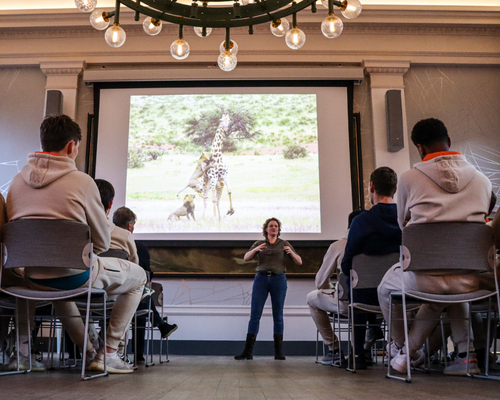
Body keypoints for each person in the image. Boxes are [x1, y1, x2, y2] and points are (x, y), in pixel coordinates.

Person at [5, 114, 147, 374]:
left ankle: (86, 353)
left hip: (33, 278)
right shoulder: (83, 182)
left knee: (56, 280)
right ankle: (110, 353)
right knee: (138, 277)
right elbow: (103, 242)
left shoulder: (15, 183)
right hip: (75, 276)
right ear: (71, 146)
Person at [377, 118, 492, 376]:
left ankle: (400, 349)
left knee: (385, 289)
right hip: (470, 279)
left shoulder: (408, 179)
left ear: (420, 148)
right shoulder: (483, 181)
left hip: (425, 277)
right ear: (449, 141)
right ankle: (466, 355)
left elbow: (402, 226)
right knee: (451, 287)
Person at [340, 167, 402, 369]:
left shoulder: (360, 221)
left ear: (371, 187)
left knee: (353, 282)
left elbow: (347, 261)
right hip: (400, 292)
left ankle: (358, 355)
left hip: (366, 294)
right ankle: (406, 352)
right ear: (395, 188)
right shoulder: (406, 220)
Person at [113, 206, 178, 363]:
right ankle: (139, 353)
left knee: (140, 294)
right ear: (130, 226)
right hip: (128, 295)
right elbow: (145, 275)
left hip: (103, 293)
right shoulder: (137, 247)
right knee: (141, 294)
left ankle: (160, 325)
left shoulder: (103, 243)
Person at [234, 217, 302, 361]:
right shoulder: (259, 243)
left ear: (278, 229)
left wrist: (291, 253)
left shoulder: (284, 244)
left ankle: (278, 352)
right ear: (266, 229)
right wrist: (256, 250)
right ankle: (248, 352)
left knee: (278, 316)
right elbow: (246, 258)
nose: (273, 228)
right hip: (261, 279)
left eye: (276, 226)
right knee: (255, 315)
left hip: (278, 280)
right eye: (271, 226)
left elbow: (299, 262)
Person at [306, 210, 362, 365]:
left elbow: (320, 282)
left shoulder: (339, 246)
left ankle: (334, 350)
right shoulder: (379, 245)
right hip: (380, 305)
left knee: (311, 298)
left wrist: (330, 289)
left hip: (347, 302)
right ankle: (365, 350)